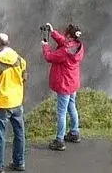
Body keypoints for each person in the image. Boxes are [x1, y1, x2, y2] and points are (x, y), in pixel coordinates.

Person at [0, 32, 27, 173]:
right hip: (17, 101)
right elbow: (24, 77)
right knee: (19, 132)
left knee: (0, 135)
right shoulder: (20, 59)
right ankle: (19, 162)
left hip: (2, 103)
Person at [41, 22, 86, 150]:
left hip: (64, 84)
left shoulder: (64, 52)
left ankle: (59, 140)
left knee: (61, 112)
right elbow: (64, 42)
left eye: (66, 34)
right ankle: (74, 132)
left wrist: (45, 46)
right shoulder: (78, 46)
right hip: (73, 82)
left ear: (70, 36)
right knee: (72, 105)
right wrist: (52, 32)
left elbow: (49, 56)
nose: (64, 36)